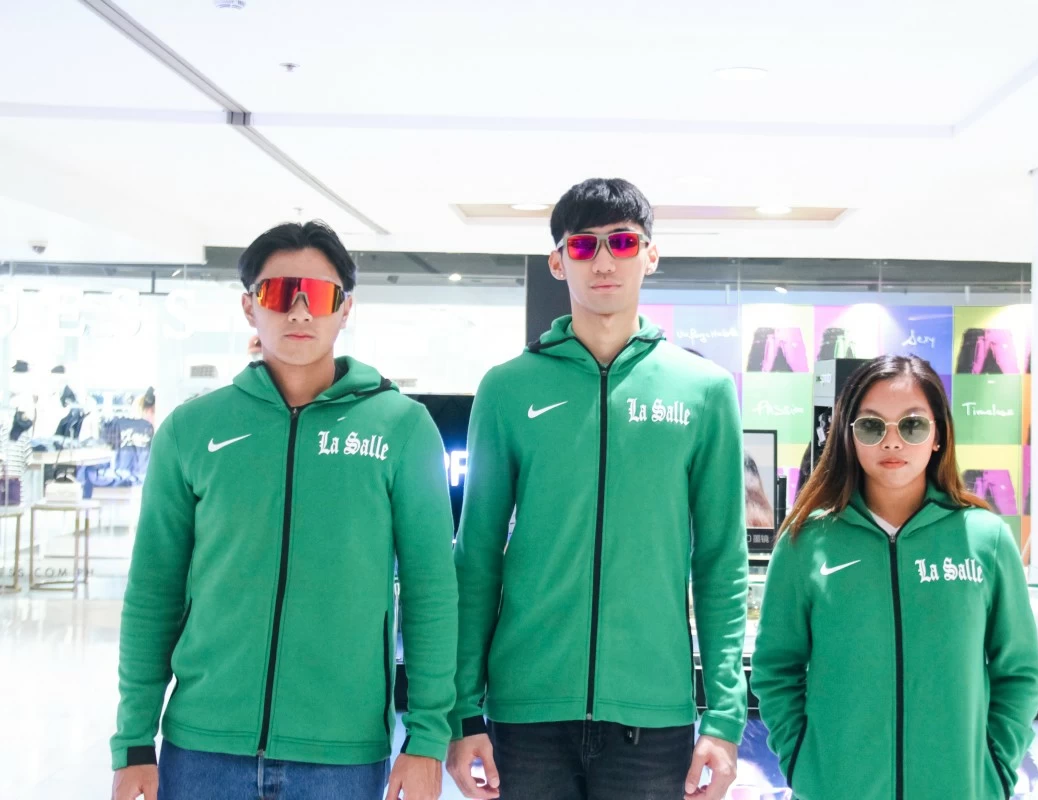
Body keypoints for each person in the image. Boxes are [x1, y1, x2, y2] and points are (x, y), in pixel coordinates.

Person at [110, 221, 458, 800]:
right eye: (278, 294)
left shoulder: (401, 428)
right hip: (201, 751)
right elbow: (153, 592)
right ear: (250, 307)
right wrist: (133, 742)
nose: (299, 313)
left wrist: (426, 739)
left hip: (342, 756)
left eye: (319, 296)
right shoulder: (192, 431)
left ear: (345, 310)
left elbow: (431, 594)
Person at [447, 178, 749, 800]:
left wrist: (723, 716)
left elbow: (721, 562)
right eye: (583, 246)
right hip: (526, 712)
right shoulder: (508, 388)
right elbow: (476, 557)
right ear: (558, 261)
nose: (604, 260)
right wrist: (461, 711)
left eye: (622, 242)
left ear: (650, 254)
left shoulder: (704, 391)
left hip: (653, 713)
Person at [751, 354, 1038, 798]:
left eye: (912, 426)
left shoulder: (985, 539)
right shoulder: (805, 543)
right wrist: (801, 761)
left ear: (938, 436)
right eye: (871, 426)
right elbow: (776, 668)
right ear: (848, 436)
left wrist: (995, 766)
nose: (892, 442)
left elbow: (1019, 671)